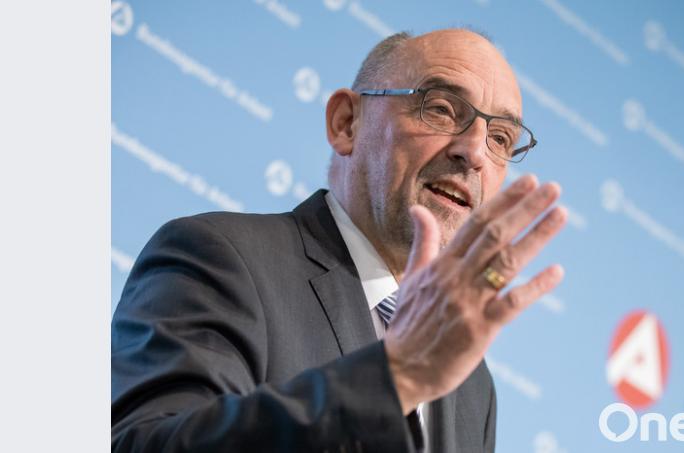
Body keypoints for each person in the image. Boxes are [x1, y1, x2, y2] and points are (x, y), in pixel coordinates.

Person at [112, 28, 567, 452]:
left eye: (501, 138)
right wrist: (398, 376)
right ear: (347, 123)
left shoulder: (473, 386)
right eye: (443, 108)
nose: (473, 152)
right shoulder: (219, 257)